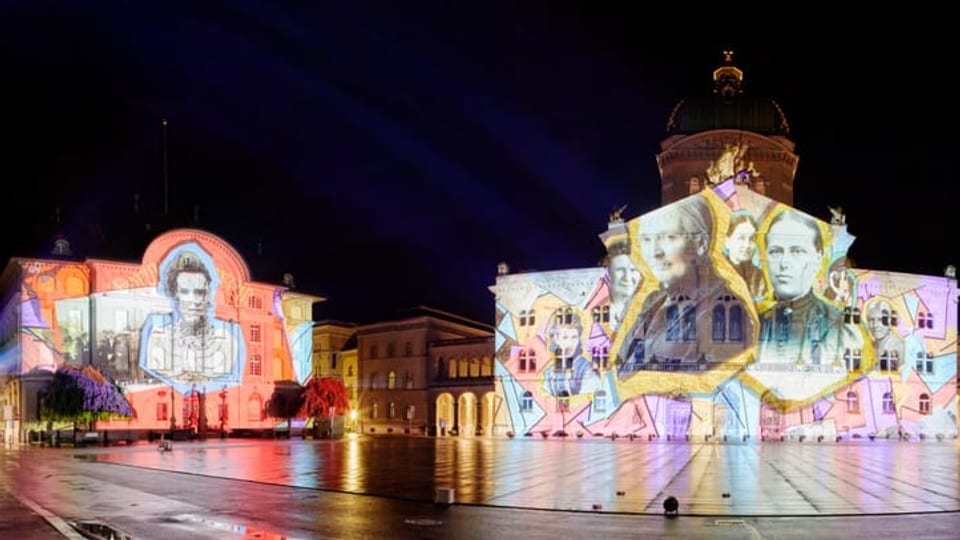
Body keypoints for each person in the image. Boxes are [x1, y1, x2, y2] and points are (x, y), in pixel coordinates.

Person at [617, 195, 752, 374]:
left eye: (669, 237)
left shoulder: (725, 311)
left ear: (701, 244)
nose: (655, 252)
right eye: (647, 239)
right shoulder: (651, 301)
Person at [140, 247, 244, 387]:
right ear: (175, 294)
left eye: (199, 292)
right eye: (185, 291)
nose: (193, 300)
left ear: (207, 294)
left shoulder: (227, 342)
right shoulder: (158, 340)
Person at [755, 210, 845, 366]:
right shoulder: (755, 323)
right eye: (775, 251)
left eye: (797, 251)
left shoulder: (838, 323)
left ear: (818, 257)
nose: (784, 263)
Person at [544, 309, 600, 397]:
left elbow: (586, 400)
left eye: (574, 337)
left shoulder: (586, 369)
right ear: (556, 339)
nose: (570, 343)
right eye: (565, 337)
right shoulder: (549, 372)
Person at [723, 211, 765, 300]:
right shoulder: (717, 272)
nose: (747, 245)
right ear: (727, 241)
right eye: (741, 238)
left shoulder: (758, 276)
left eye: (752, 239)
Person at [606, 240, 641, 332]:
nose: (628, 277)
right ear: (608, 273)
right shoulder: (596, 311)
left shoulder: (649, 311)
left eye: (633, 270)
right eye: (620, 270)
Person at [864, 298, 904, 371]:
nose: (875, 325)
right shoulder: (871, 346)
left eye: (880, 320)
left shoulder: (899, 347)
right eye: (871, 320)